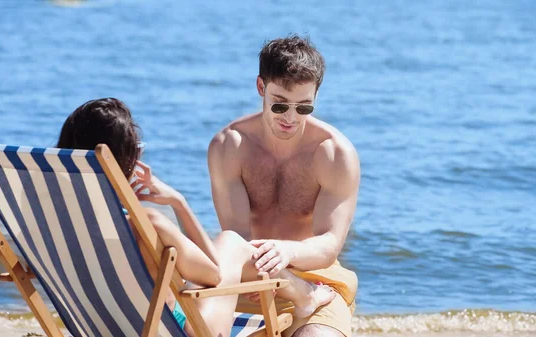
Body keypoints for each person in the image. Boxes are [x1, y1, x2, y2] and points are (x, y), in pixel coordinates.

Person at [56, 97, 336, 337]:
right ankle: (302, 293)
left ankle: (298, 289)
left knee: (223, 256)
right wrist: (179, 203)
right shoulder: (146, 224)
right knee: (231, 242)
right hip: (187, 332)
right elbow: (213, 274)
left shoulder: (56, 223)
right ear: (127, 161)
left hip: (102, 329)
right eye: (136, 150)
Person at [208, 35, 360, 337]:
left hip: (317, 281)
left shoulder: (334, 154)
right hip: (248, 281)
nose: (291, 118)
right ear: (261, 87)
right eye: (280, 106)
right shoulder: (230, 146)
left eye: (304, 108)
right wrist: (265, 269)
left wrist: (286, 252)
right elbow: (238, 238)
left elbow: (329, 245)